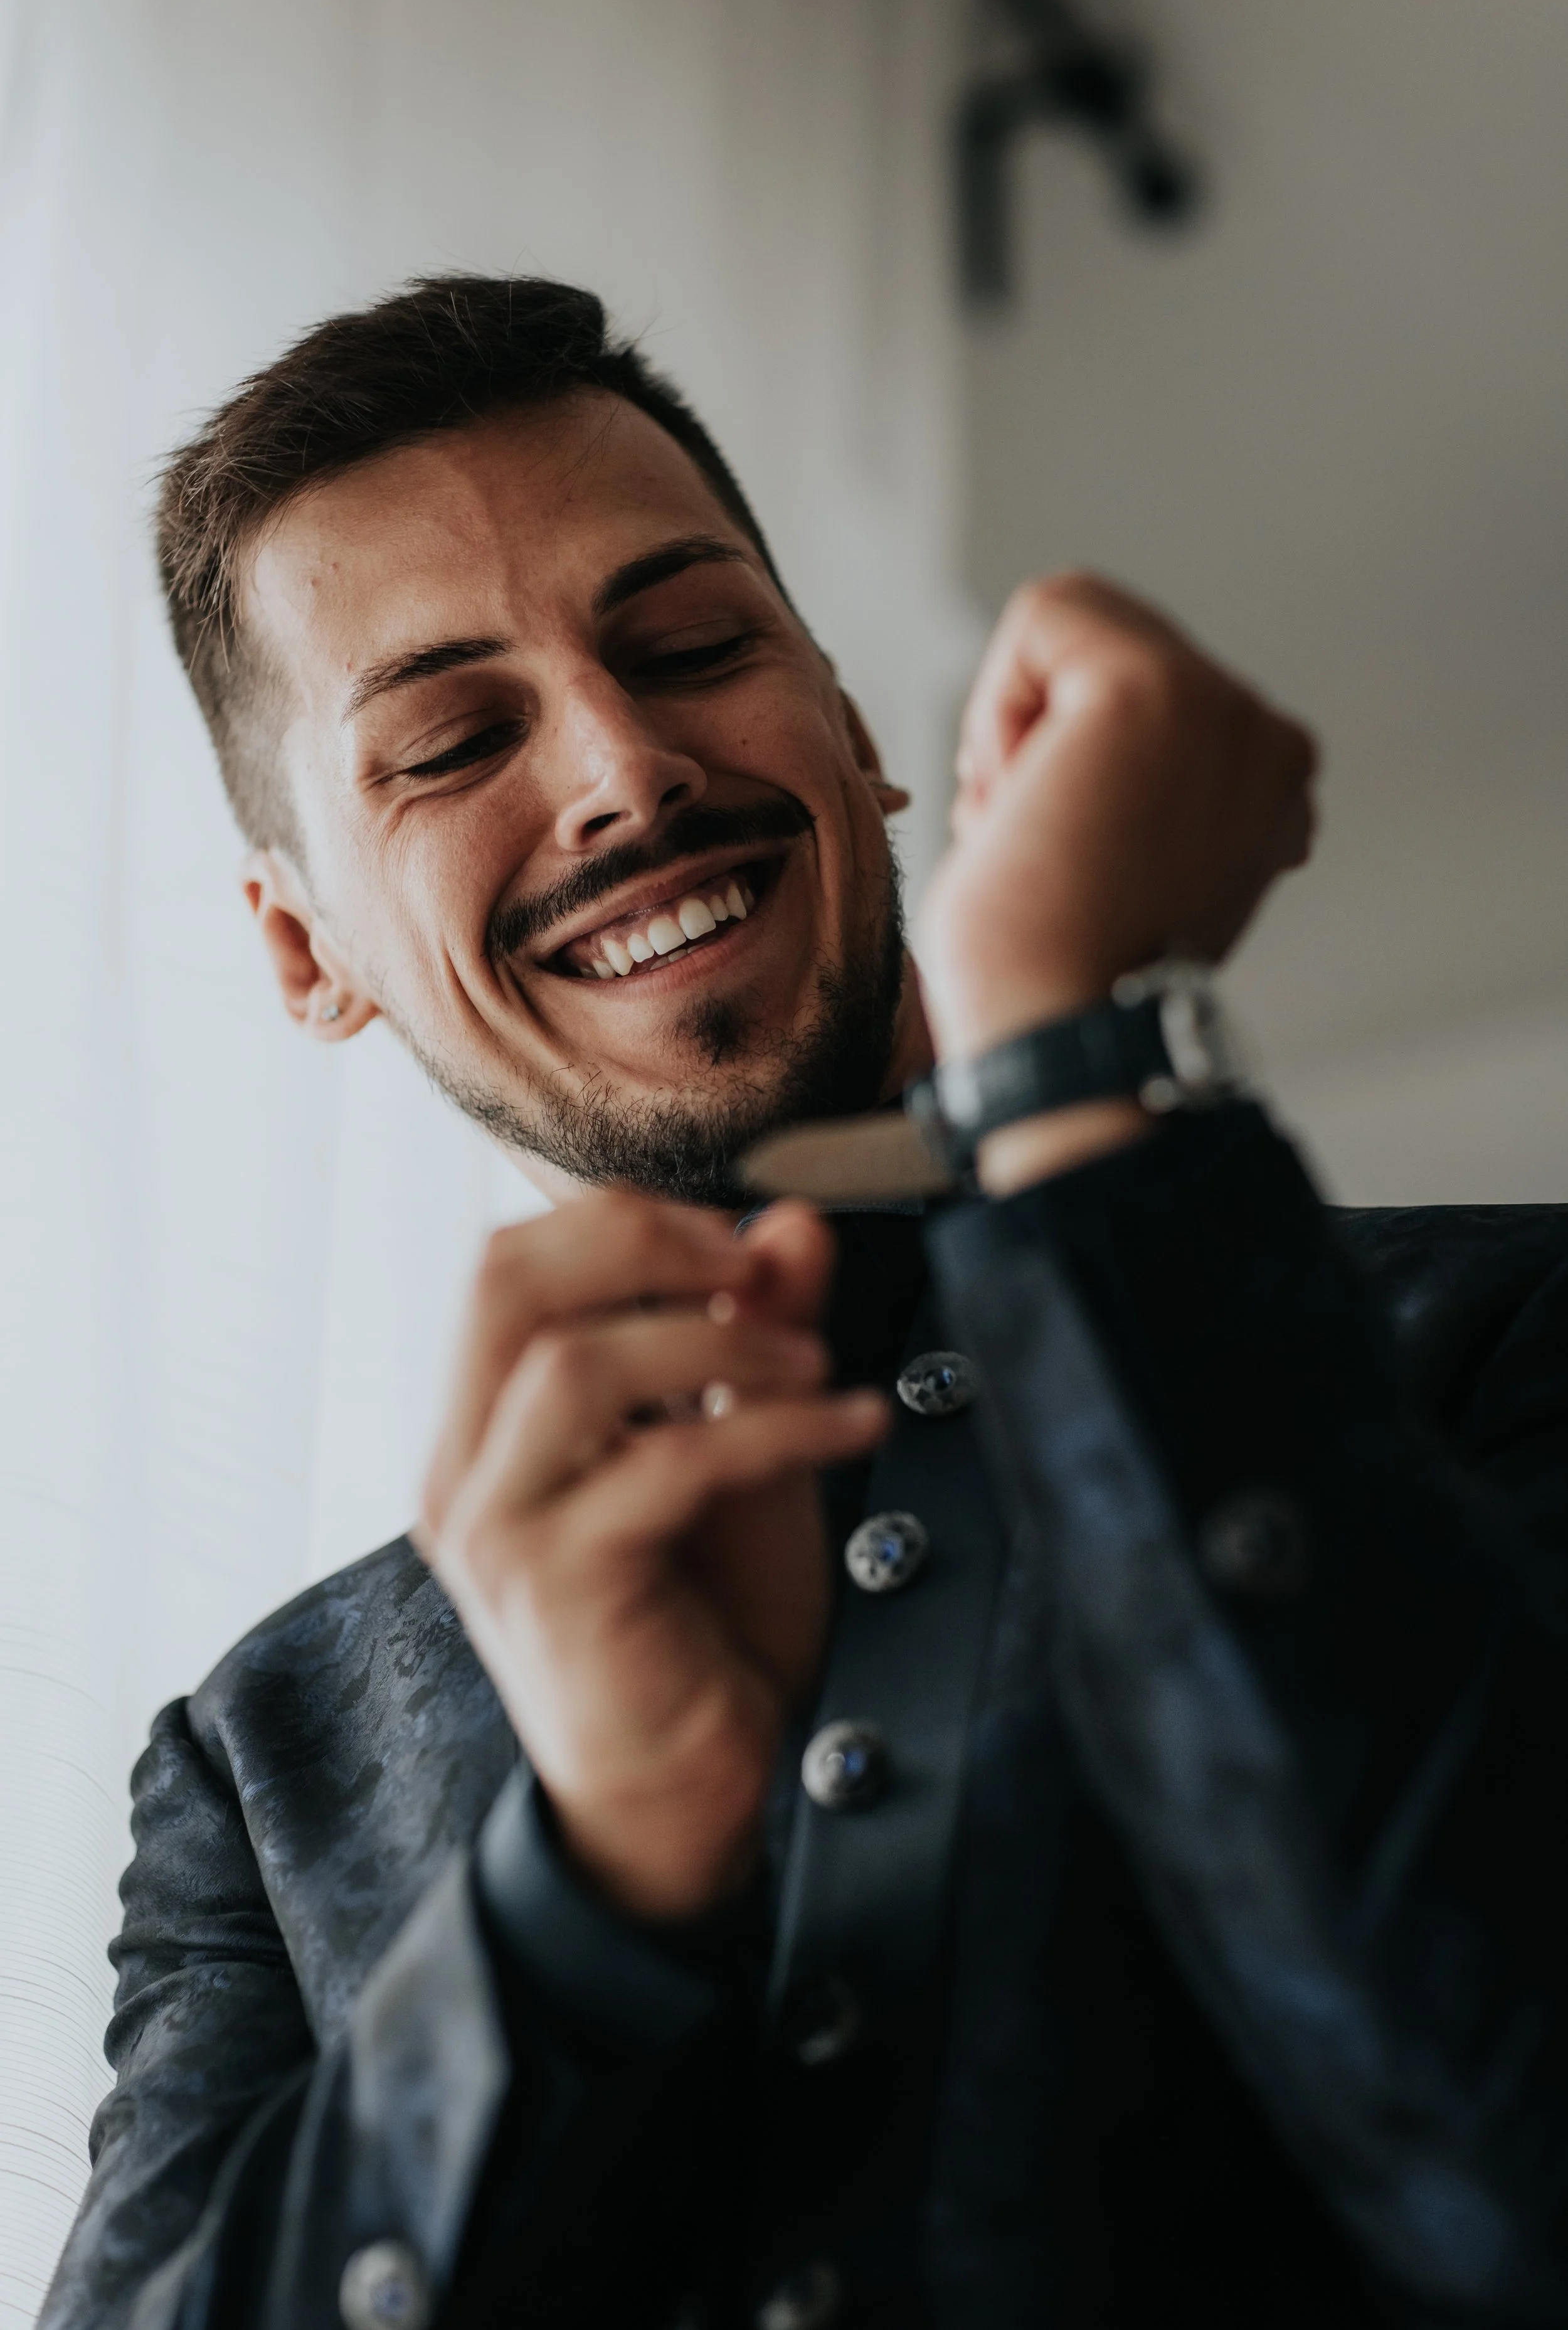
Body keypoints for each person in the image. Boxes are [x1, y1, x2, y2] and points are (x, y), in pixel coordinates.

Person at [40, 275, 1568, 2330]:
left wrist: (1073, 1088)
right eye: (450, 738)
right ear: (303, 948)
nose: (620, 765)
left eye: (688, 644)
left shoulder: (1510, 1335)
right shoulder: (259, 1763)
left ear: (854, 730)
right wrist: (586, 1893)